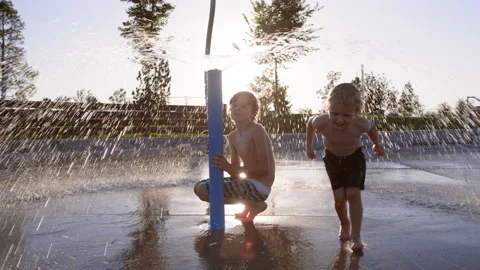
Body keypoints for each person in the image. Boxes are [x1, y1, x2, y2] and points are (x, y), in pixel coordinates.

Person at [305, 83, 384, 252]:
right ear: (328, 108)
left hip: (354, 158)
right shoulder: (322, 121)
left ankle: (356, 236)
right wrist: (309, 146)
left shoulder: (360, 123)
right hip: (332, 159)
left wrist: (376, 144)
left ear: (357, 112)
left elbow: (372, 129)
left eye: (346, 115)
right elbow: (310, 124)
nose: (340, 119)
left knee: (353, 193)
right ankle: (344, 223)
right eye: (334, 113)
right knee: (339, 198)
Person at [194, 91, 275, 223]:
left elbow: (264, 169)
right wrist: (225, 165)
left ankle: (256, 204)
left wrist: (229, 167)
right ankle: (249, 205)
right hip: (248, 184)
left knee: (204, 189)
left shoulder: (257, 130)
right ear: (229, 111)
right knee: (198, 186)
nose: (237, 108)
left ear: (253, 113)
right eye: (234, 106)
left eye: (243, 106)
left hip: (260, 187)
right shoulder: (232, 137)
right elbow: (235, 174)